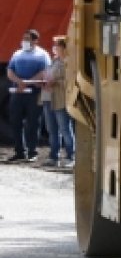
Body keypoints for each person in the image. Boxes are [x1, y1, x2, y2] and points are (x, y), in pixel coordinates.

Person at [6, 29, 51, 163]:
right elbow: (10, 70)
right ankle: (19, 151)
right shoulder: (17, 53)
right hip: (18, 92)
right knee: (15, 122)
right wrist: (19, 82)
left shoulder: (42, 54)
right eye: (24, 38)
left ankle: (32, 152)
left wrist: (27, 82)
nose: (24, 41)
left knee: (33, 122)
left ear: (35, 40)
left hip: (34, 93)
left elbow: (44, 71)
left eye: (28, 38)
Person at [40, 36, 75, 168]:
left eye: (57, 45)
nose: (54, 47)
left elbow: (70, 82)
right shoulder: (53, 61)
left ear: (64, 47)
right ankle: (53, 156)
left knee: (65, 128)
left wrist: (56, 82)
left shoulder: (69, 63)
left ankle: (71, 156)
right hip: (48, 98)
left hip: (60, 99)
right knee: (52, 129)